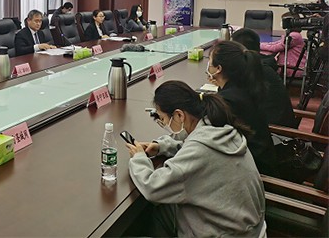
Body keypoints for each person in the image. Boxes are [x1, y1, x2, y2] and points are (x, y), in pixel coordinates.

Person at [126, 80, 266, 238]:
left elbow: (152, 187)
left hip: (224, 232)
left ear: (179, 115)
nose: (164, 125)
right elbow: (196, 149)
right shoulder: (221, 129)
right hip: (247, 229)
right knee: (163, 209)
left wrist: (138, 158)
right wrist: (162, 146)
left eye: (163, 119)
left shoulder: (199, 150)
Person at [207, 40, 277, 176]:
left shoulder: (227, 100)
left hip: (253, 172)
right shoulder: (245, 87)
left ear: (218, 68)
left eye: (209, 61)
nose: (208, 65)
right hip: (260, 160)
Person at [232, 28, 297, 127]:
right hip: (272, 124)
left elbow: (234, 100)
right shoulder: (262, 65)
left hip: (274, 131)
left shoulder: (253, 70)